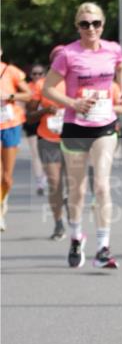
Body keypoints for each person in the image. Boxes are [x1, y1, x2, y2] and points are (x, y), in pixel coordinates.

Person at [43, 2, 122, 269]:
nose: (90, 28)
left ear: (102, 25)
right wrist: (73, 103)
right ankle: (76, 237)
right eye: (84, 24)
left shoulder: (112, 49)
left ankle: (103, 248)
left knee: (102, 186)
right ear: (77, 27)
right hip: (75, 126)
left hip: (105, 124)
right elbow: (48, 89)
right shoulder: (68, 54)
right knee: (77, 190)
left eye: (95, 23)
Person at [33, 46, 67, 240]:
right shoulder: (41, 84)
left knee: (75, 183)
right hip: (48, 139)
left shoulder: (76, 82)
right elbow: (30, 115)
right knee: (54, 182)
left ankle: (70, 208)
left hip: (74, 140)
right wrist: (45, 110)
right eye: (57, 59)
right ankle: (58, 223)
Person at [0, 48, 32, 232]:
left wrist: (9, 96)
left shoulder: (11, 71)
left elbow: (28, 95)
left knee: (6, 177)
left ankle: (3, 200)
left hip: (11, 124)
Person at [25, 63, 48, 196]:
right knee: (35, 153)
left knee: (48, 151)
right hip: (33, 121)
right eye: (34, 73)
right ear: (30, 75)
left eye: (40, 73)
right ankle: (40, 181)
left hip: (47, 122)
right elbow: (21, 103)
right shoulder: (27, 87)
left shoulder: (49, 86)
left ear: (44, 74)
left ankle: (47, 174)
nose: (37, 76)